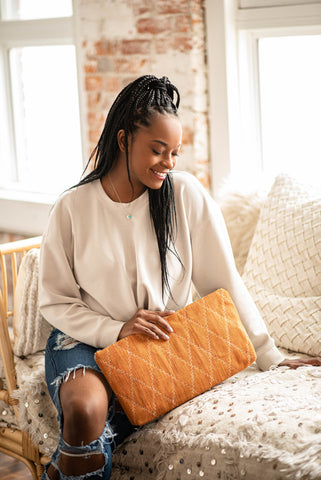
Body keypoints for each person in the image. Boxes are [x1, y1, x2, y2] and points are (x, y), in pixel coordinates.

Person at [39, 74, 321, 480]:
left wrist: (269, 354)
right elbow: (56, 299)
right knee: (85, 410)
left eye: (174, 152)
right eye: (157, 150)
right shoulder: (72, 207)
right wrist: (117, 329)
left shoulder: (186, 195)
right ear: (123, 141)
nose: (168, 164)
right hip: (83, 337)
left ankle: (58, 472)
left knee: (91, 439)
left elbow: (223, 282)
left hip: (156, 347)